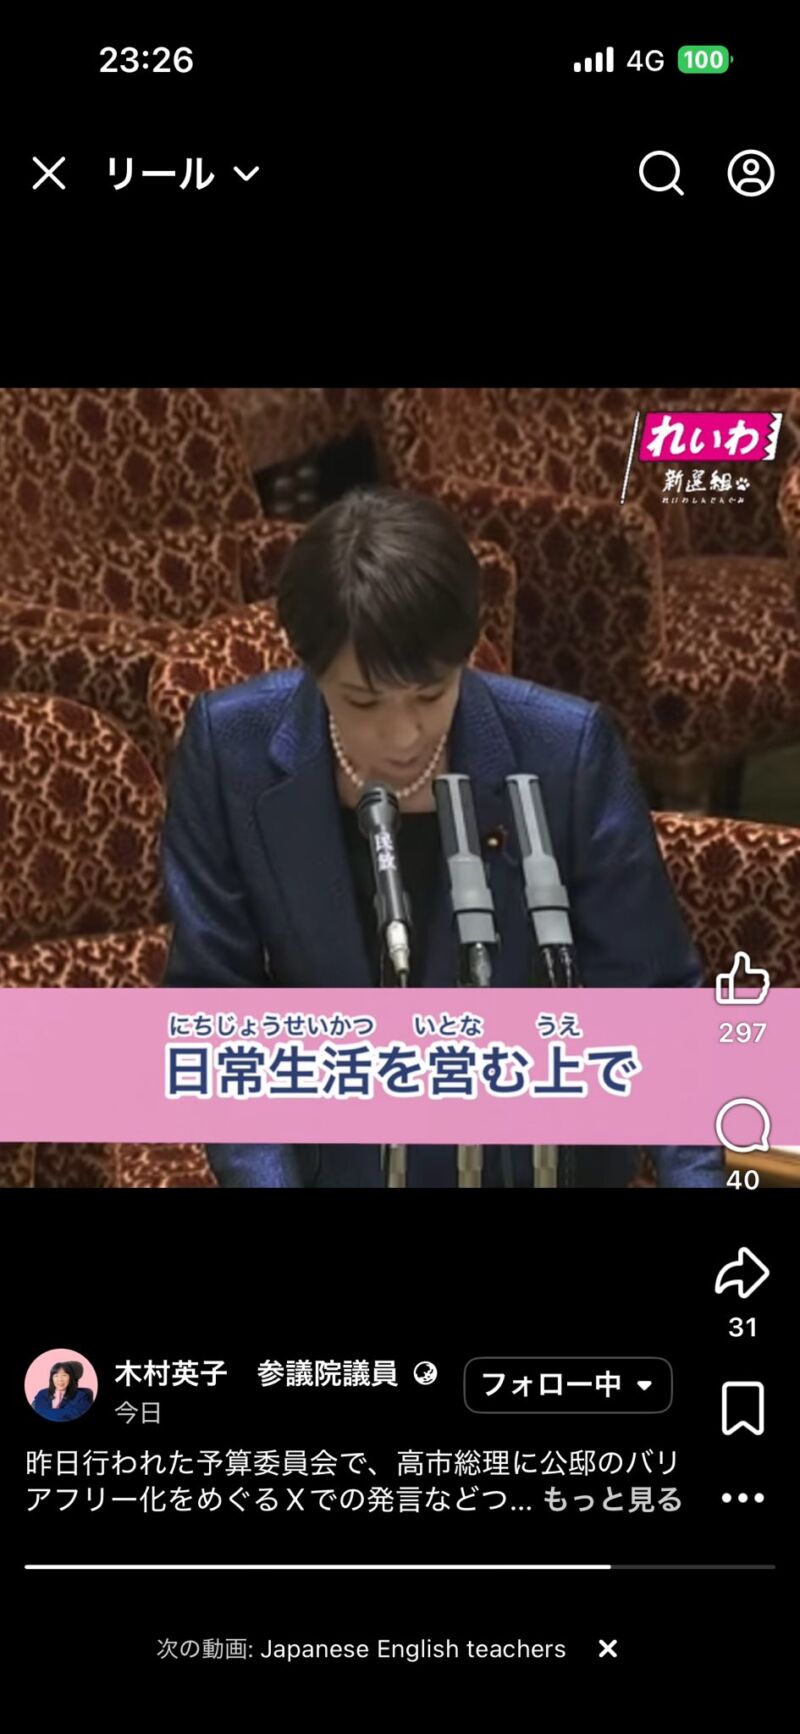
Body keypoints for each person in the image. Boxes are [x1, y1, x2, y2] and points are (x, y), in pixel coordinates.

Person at [161, 486, 724, 1188]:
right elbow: (217, 1004)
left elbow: (654, 999)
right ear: (309, 666)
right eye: (363, 701)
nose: (403, 736)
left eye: (430, 695)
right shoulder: (230, 750)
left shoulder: (565, 749)